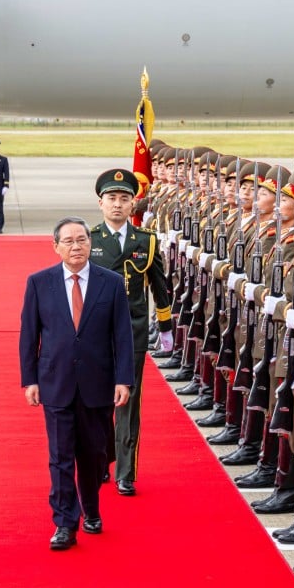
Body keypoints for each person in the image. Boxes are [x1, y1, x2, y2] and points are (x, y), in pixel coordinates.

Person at [19, 217, 134, 550]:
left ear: (90, 243)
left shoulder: (110, 282)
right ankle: (65, 522)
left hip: (98, 384)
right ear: (56, 247)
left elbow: (122, 336)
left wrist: (124, 378)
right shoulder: (39, 282)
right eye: (68, 241)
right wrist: (30, 379)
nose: (76, 246)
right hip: (55, 382)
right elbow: (29, 334)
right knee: (60, 456)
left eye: (81, 239)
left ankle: (92, 510)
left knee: (94, 455)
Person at [89, 169, 173, 496]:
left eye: (124, 199)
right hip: (95, 332)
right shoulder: (89, 239)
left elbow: (160, 288)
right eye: (111, 199)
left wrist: (164, 326)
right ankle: (100, 460)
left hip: (134, 331)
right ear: (100, 203)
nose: (117, 205)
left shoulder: (147, 241)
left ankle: (126, 471)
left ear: (133, 203)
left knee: (129, 401)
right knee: (97, 401)